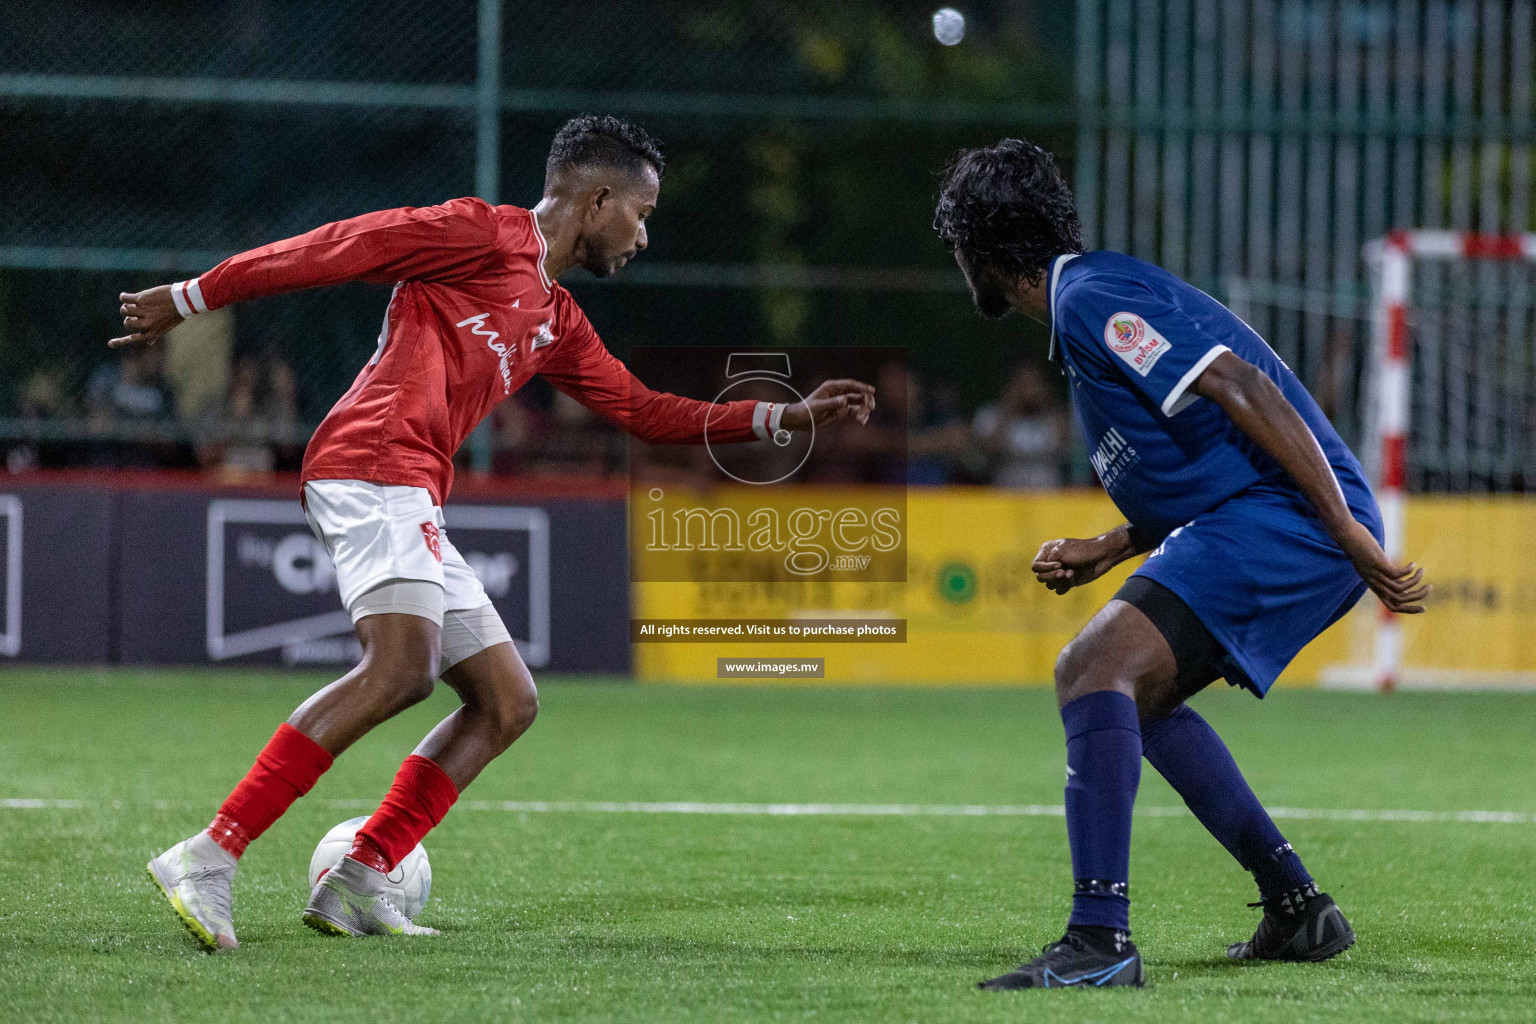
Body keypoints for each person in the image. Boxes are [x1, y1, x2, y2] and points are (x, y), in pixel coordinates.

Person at [115, 115, 875, 951]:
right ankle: (210, 854)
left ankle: (362, 878)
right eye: (643, 211)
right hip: (370, 462)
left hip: (415, 491)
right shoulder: (482, 235)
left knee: (508, 701)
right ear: (597, 199)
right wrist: (194, 297)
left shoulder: (558, 319)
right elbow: (343, 245)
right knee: (401, 669)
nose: (645, 234)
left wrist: (782, 414)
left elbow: (645, 412)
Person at [933, 139, 1430, 990]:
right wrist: (1113, 545)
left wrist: (1346, 529)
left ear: (979, 247)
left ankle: (1099, 940)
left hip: (1294, 518)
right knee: (1138, 697)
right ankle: (1297, 906)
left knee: (1093, 668)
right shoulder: (1084, 310)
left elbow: (1243, 388)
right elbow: (1205, 462)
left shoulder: (1090, 297)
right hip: (1269, 513)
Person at [972, 362, 1069, 488]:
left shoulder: (1055, 417)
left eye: (1034, 383)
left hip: (1048, 498)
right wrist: (1009, 407)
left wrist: (1046, 404)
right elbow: (986, 451)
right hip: (1005, 497)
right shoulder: (991, 415)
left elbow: (1068, 445)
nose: (1028, 390)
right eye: (1022, 384)